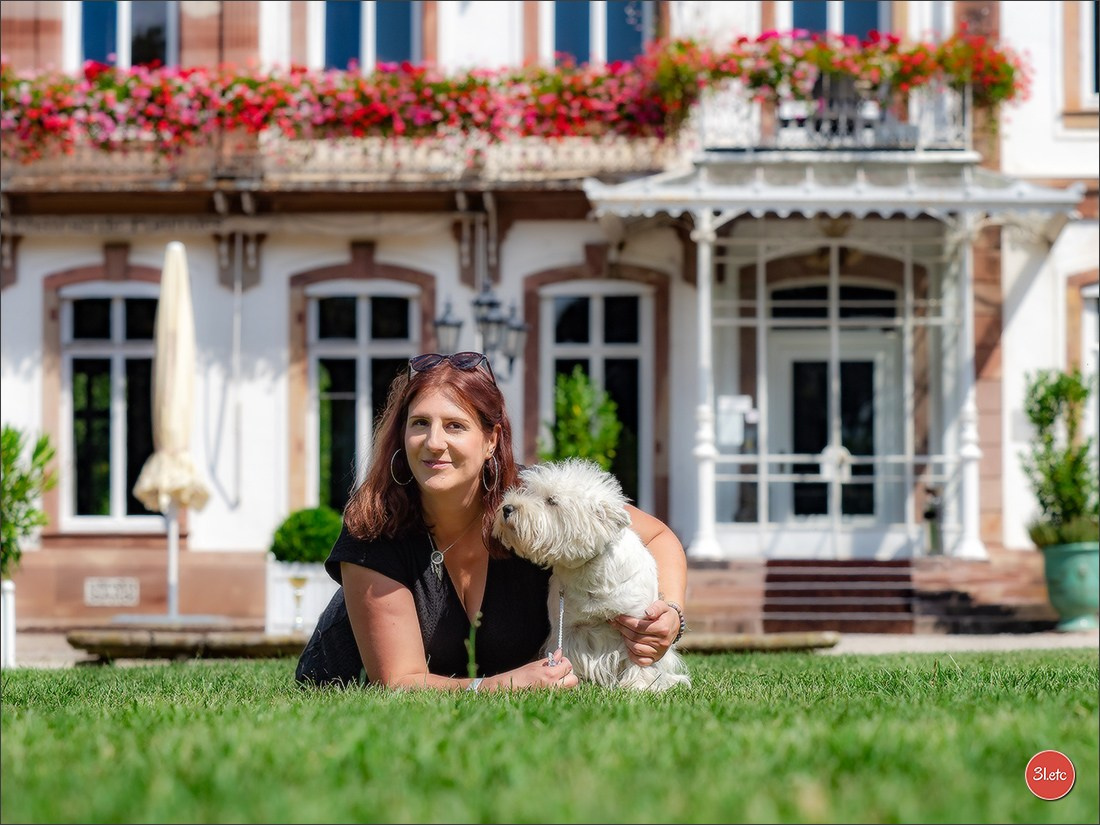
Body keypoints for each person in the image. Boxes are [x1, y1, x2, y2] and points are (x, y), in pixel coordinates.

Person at [295, 351, 687, 691]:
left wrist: (670, 613)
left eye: (455, 425)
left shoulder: (533, 506)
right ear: (402, 436)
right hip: (337, 688)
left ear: (491, 440)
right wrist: (504, 685)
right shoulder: (373, 523)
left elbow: (658, 536)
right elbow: (400, 681)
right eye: (419, 423)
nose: (434, 442)